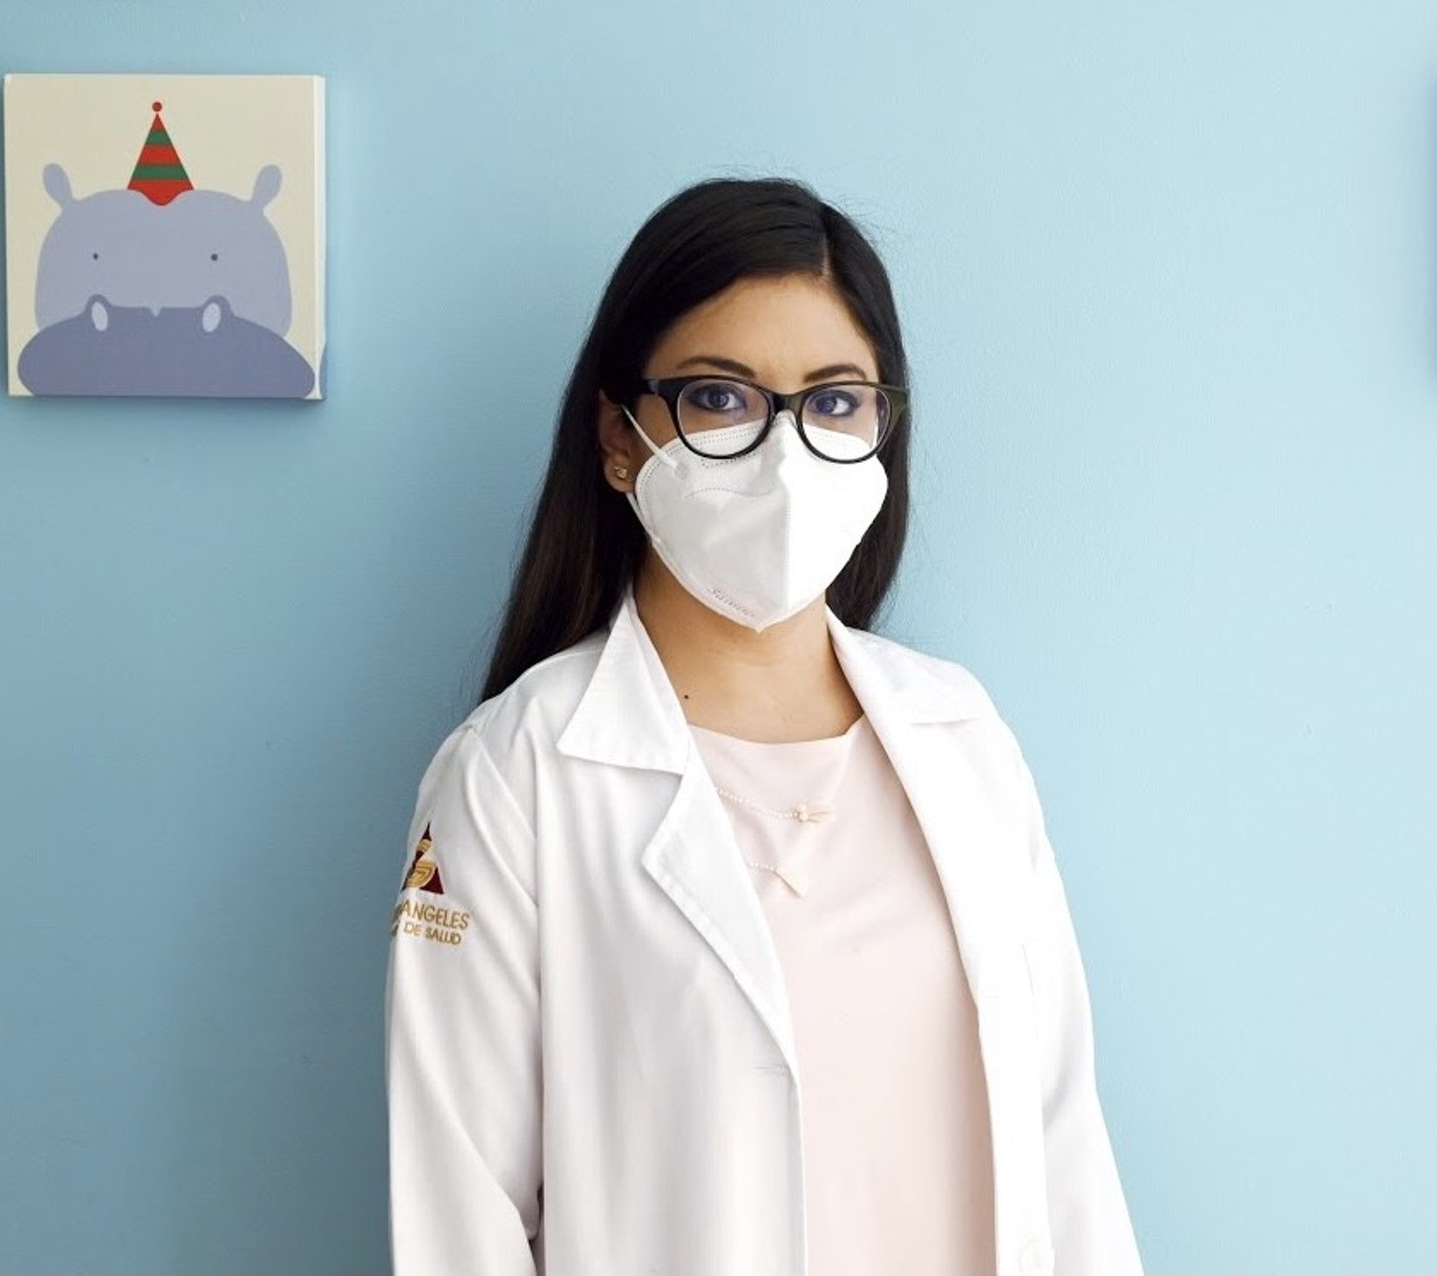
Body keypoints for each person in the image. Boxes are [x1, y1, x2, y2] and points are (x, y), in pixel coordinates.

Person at [383, 176, 1143, 1276]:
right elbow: (459, 1216)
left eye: (835, 401)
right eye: (721, 398)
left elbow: (1062, 1139)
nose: (785, 458)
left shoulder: (960, 733)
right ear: (618, 434)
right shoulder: (514, 773)